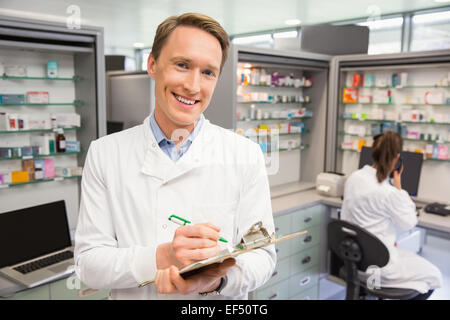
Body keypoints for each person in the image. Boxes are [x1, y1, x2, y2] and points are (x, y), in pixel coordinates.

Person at [74, 13, 276, 300]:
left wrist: (213, 282)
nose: (193, 86)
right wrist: (163, 255)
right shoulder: (105, 153)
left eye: (208, 72)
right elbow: (88, 265)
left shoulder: (244, 154)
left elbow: (263, 257)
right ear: (153, 64)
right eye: (182, 65)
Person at [341, 131, 442, 299]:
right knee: (433, 276)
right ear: (397, 159)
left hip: (355, 263)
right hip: (379, 270)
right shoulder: (389, 193)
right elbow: (409, 223)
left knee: (410, 262)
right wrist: (399, 188)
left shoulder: (354, 178)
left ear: (374, 152)